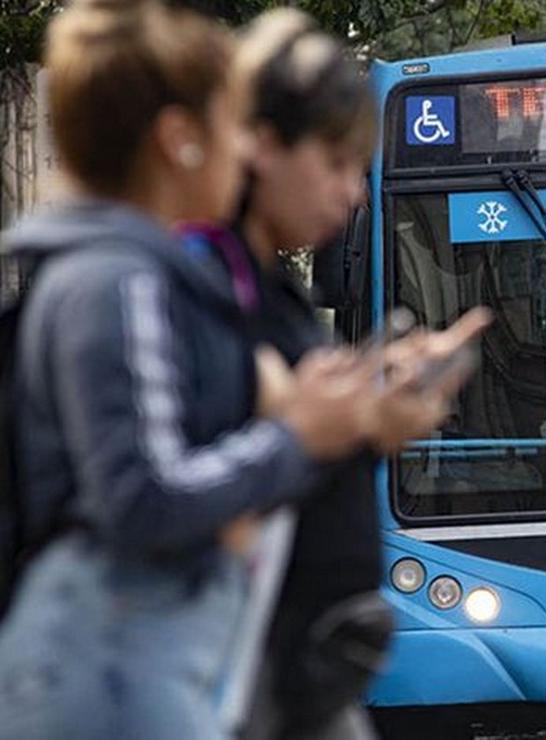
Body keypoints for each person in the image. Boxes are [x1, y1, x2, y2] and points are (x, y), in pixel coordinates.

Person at [0, 2, 447, 738]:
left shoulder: (142, 274)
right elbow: (145, 495)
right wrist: (301, 435)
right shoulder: (120, 281)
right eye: (234, 126)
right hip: (120, 674)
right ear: (181, 142)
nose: (246, 153)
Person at [179, 10, 491, 738]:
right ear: (262, 145)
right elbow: (180, 490)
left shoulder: (269, 287)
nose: (353, 194)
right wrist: (337, 426)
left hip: (297, 678)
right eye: (337, 164)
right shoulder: (191, 287)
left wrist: (370, 420)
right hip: (225, 682)